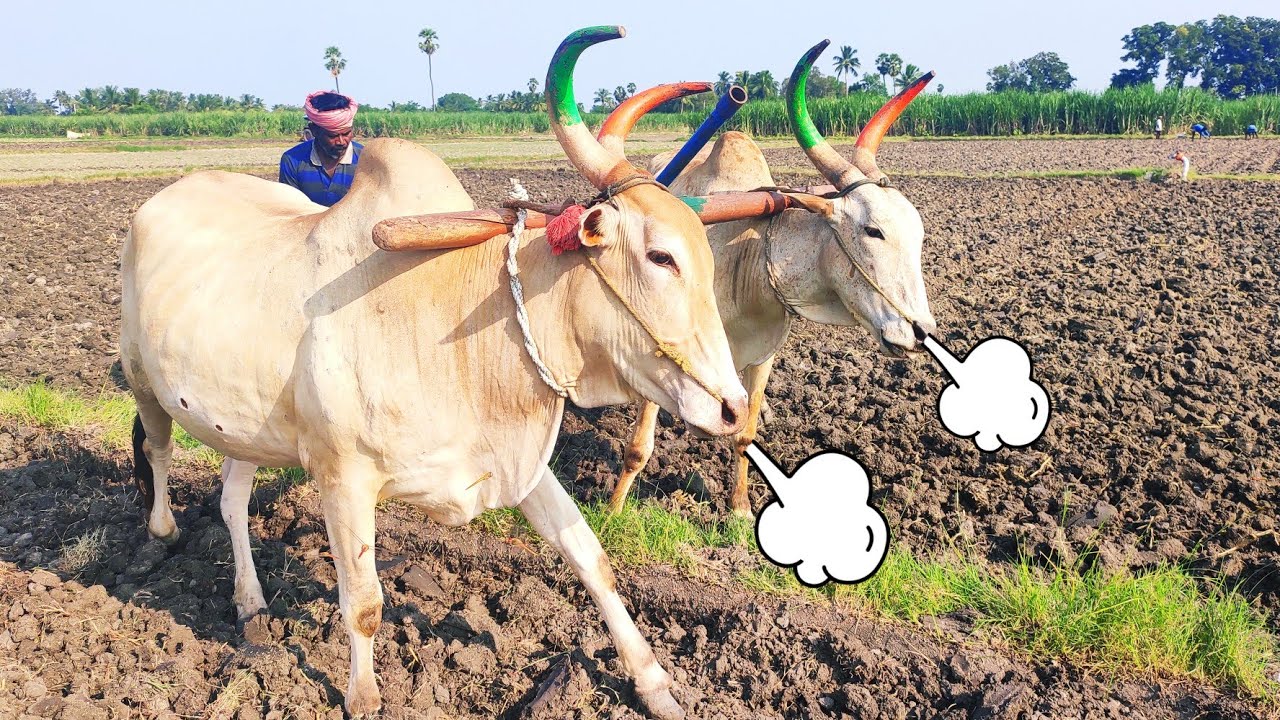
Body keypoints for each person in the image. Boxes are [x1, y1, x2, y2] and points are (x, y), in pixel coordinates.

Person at [279, 91, 363, 206]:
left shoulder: (365, 160)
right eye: (332, 136)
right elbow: (290, 208)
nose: (341, 142)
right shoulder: (292, 160)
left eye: (346, 134)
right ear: (314, 131)